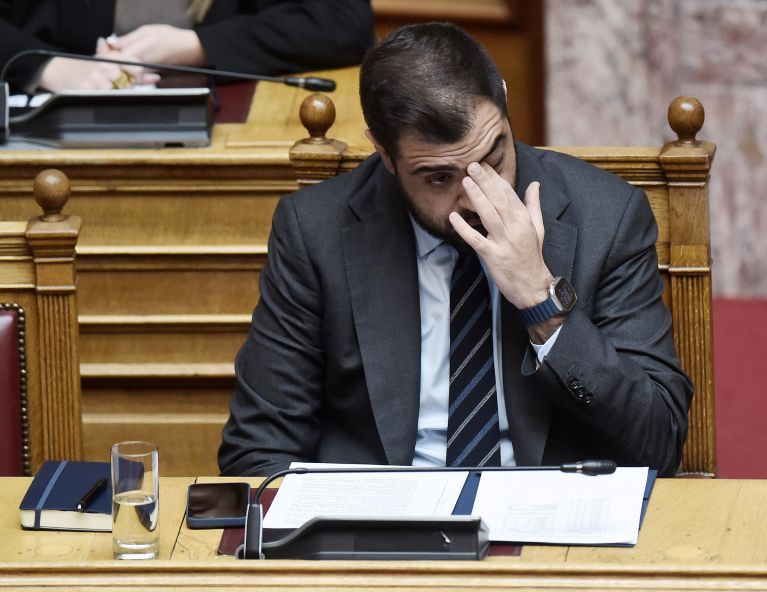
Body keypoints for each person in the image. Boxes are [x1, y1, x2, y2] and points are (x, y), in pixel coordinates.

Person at [218, 22, 693, 477]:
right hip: (381, 516)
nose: (474, 197)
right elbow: (258, 452)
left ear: (503, 99)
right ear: (384, 154)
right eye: (439, 178)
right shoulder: (315, 231)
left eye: (493, 160)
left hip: (549, 511)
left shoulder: (606, 217)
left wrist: (541, 300)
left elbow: (658, 442)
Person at [0, 0, 372, 93]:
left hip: (224, 136)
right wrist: (48, 67)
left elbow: (342, 22)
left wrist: (197, 46)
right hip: (48, 138)